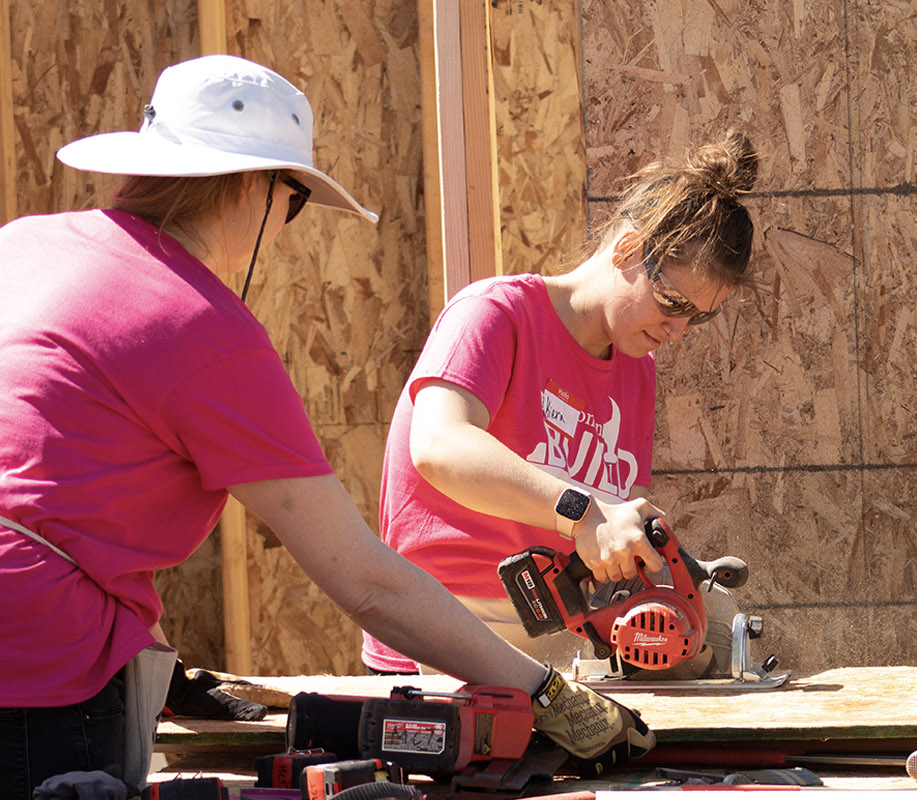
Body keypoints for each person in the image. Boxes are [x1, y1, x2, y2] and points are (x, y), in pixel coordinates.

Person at [0, 54, 653, 799]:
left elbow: (44, 473)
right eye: (297, 201)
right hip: (36, 669)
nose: (284, 228)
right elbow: (366, 581)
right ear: (256, 186)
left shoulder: (23, 244)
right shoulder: (203, 330)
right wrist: (547, 695)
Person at [361, 131, 758, 674]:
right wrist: (581, 513)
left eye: (700, 315)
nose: (679, 329)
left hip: (554, 642)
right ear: (629, 249)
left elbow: (617, 535)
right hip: (441, 631)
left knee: (711, 633)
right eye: (672, 302)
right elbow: (437, 444)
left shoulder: (636, 373)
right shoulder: (496, 315)